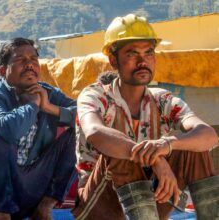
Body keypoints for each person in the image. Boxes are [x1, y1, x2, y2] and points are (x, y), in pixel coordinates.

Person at [73, 14, 219, 220]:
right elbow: (95, 132)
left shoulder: (163, 100)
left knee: (193, 148)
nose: (143, 61)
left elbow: (209, 135)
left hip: (152, 199)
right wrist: (156, 160)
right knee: (119, 151)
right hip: (101, 205)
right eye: (132, 54)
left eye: (149, 53)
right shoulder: (96, 95)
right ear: (114, 60)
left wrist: (167, 144)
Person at [0, 37, 77, 220]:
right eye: (20, 60)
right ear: (3, 71)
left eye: (33, 59)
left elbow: (84, 114)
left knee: (77, 133)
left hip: (32, 187)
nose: (29, 65)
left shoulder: (47, 93)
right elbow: (8, 129)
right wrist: (32, 106)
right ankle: (1, 213)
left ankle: (45, 207)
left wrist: (49, 108)